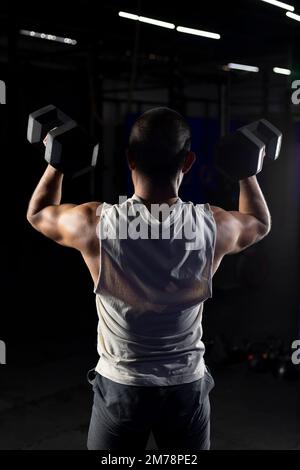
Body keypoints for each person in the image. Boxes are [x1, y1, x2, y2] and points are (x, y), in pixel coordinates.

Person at [27, 107, 271, 450]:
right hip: (185, 387)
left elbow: (38, 213)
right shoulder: (212, 227)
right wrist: (247, 173)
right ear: (187, 162)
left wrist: (57, 162)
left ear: (129, 159)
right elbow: (259, 223)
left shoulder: (97, 224)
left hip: (121, 389)